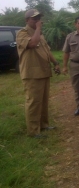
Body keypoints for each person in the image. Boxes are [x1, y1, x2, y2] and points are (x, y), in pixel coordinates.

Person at [16, 9, 60, 138]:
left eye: (38, 18)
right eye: (34, 19)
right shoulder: (22, 33)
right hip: (32, 74)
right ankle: (34, 131)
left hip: (44, 71)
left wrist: (55, 63)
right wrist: (38, 29)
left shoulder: (39, 34)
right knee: (34, 102)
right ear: (27, 20)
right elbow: (33, 43)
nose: (37, 21)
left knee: (43, 101)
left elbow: (47, 50)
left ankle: (44, 125)